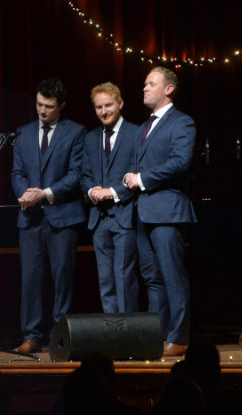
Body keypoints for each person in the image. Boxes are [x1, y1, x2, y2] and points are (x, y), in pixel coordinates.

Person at [124, 66, 197, 357]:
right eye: (144, 83)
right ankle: (158, 336)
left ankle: (178, 337)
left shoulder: (182, 122)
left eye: (151, 83)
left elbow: (180, 162)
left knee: (171, 275)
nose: (144, 87)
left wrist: (142, 178)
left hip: (167, 211)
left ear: (169, 89)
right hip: (144, 212)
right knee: (152, 278)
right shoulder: (145, 127)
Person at [10, 78, 86, 354]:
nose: (42, 110)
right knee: (30, 280)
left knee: (62, 279)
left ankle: (59, 336)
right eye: (39, 104)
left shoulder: (75, 132)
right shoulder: (23, 132)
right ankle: (31, 335)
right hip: (30, 218)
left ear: (61, 106)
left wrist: (45, 193)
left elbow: (76, 173)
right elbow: (17, 172)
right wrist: (25, 194)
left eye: (49, 106)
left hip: (63, 217)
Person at [80, 82, 142, 314]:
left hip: (125, 216)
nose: (104, 111)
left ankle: (127, 330)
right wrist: (91, 191)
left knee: (124, 278)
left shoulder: (137, 133)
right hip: (98, 218)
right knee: (105, 280)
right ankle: (111, 330)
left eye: (108, 105)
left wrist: (113, 192)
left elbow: (139, 170)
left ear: (120, 104)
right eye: (99, 107)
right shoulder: (90, 138)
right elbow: (84, 175)